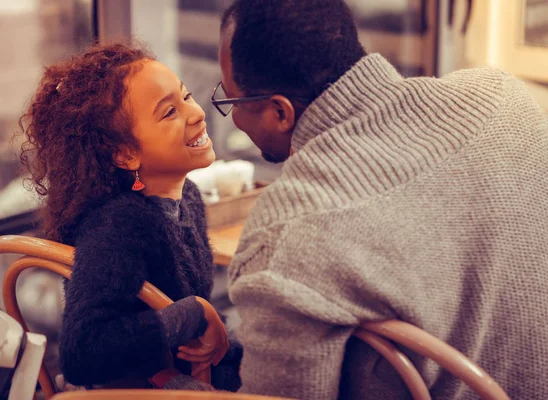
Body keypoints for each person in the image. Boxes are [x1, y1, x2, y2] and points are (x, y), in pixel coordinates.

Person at [215, 1, 548, 399]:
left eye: (230, 101)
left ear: (279, 113)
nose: (230, 116)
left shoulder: (289, 231)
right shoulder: (504, 98)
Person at [19, 42, 242, 391]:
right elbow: (82, 352)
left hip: (173, 368)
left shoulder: (190, 200)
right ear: (125, 154)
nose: (197, 114)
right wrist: (195, 313)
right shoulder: (121, 224)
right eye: (169, 113)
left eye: (186, 97)